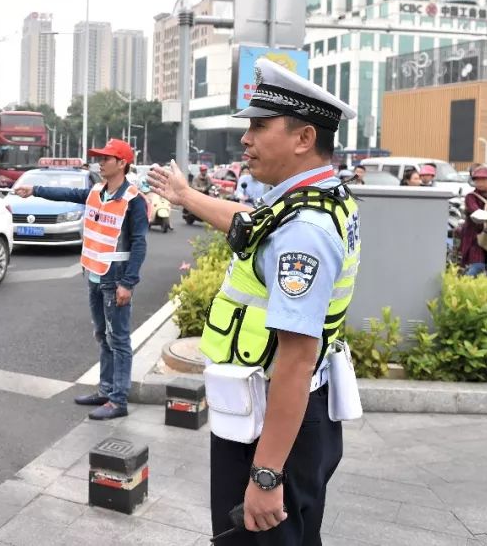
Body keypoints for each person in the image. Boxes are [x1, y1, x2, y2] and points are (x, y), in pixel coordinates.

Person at [148, 58, 359, 544]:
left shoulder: (304, 231)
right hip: (290, 420)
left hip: (273, 426)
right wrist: (186, 196)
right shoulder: (313, 198)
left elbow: (296, 360)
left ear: (303, 138)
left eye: (260, 126)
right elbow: (250, 223)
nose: (245, 139)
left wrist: (266, 475)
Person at [14, 138, 148, 420]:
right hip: (95, 275)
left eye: (106, 158)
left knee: (118, 339)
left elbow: (139, 243)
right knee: (102, 335)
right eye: (99, 158)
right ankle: (106, 390)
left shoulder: (133, 199)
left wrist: (129, 283)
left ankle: (118, 401)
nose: (100, 163)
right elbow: (67, 193)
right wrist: (34, 190)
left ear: (122, 163)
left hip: (116, 279)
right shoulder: (97, 191)